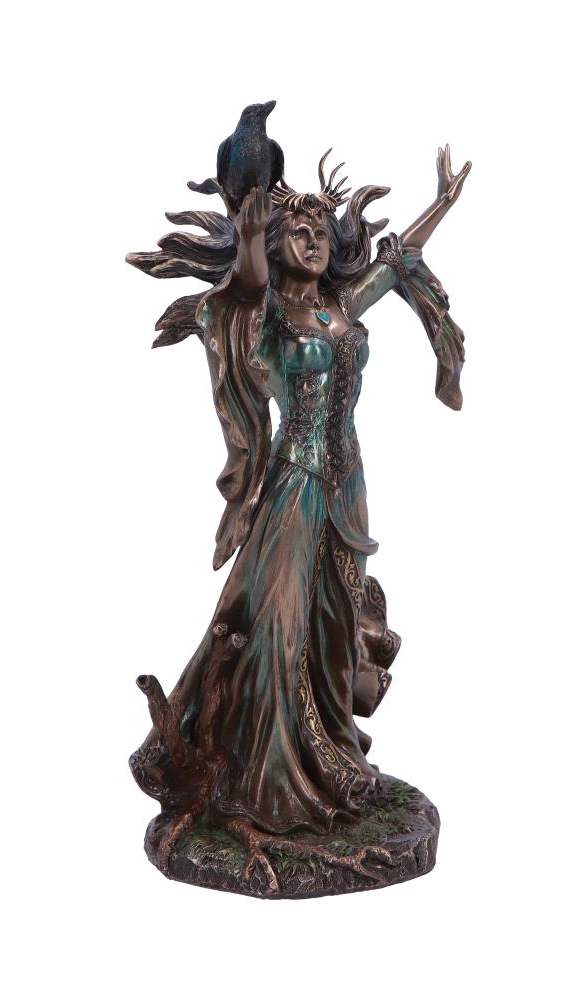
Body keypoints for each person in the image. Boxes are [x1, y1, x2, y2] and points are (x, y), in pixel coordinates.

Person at [127, 145, 471, 849]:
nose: (312, 242)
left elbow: (397, 259)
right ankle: (270, 771)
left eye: (319, 232)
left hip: (349, 483)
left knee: (338, 616)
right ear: (278, 247)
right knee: (279, 625)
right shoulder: (268, 315)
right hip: (296, 484)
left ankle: (333, 751)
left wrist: (441, 202)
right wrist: (251, 237)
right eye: (297, 233)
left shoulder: (341, 306)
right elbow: (245, 284)